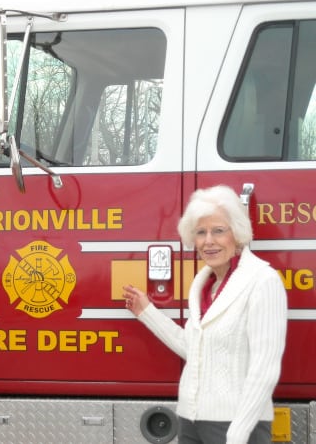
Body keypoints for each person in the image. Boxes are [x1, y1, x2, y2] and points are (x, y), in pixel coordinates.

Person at [123, 185, 287, 444]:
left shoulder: (262, 281)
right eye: (201, 232)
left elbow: (265, 368)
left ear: (238, 233)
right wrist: (147, 312)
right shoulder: (204, 285)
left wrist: (238, 432)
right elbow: (194, 349)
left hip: (235, 426)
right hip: (190, 420)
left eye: (218, 230)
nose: (208, 240)